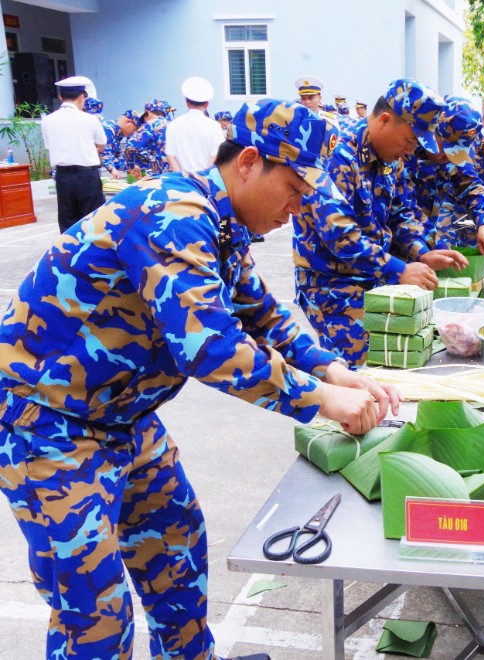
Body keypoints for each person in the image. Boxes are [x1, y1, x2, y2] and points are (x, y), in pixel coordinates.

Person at [0, 98, 400, 660]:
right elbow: (210, 348)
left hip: (124, 415)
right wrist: (322, 400)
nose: (297, 207)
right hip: (49, 424)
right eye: (293, 188)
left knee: (176, 550)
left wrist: (335, 369)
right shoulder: (174, 213)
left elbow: (261, 313)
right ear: (248, 163)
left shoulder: (223, 224)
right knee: (93, 612)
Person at [292, 79, 468, 364]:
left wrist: (422, 252)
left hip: (372, 278)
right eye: (410, 141)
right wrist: (399, 269)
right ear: (385, 120)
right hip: (331, 285)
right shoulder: (338, 155)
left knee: (397, 358)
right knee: (363, 371)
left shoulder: (389, 157)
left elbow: (401, 210)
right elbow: (339, 235)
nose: (410, 151)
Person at [407, 96, 484, 253]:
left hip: (427, 243)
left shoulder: (450, 151)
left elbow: (470, 184)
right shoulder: (404, 151)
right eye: (446, 149)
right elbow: (401, 210)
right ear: (434, 131)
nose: (448, 158)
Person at [40, 76, 107, 233]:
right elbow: (101, 145)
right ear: (82, 97)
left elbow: (49, 146)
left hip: (63, 176)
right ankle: (94, 255)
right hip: (87, 176)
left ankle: (68, 254)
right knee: (93, 220)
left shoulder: (48, 120)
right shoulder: (90, 119)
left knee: (68, 222)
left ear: (60, 97)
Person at [165, 76, 226, 172]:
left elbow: (171, 156)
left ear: (187, 102)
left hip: (181, 180)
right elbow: (217, 155)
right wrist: (204, 177)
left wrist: (182, 177)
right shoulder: (214, 126)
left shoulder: (173, 125)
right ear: (207, 104)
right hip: (206, 181)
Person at [125, 99, 170, 177]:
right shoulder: (174, 125)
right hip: (177, 174)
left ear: (148, 113)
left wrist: (131, 167)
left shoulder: (150, 125)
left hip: (159, 177)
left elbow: (130, 147)